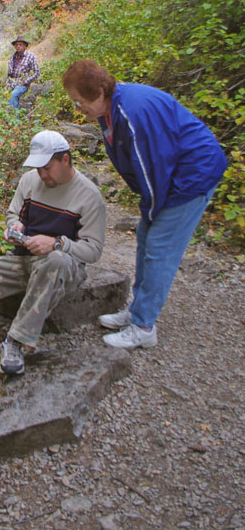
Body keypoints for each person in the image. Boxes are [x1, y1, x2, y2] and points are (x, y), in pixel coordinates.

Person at [62, 60, 227, 351]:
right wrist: (149, 209)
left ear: (99, 92)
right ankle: (137, 309)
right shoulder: (111, 108)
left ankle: (143, 326)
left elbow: (153, 169)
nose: (78, 109)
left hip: (192, 176)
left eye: (80, 102)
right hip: (174, 174)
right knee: (144, 239)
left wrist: (151, 208)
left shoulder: (133, 112)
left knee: (159, 249)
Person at [0, 130, 106, 390]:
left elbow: (93, 251)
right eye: (38, 169)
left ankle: (15, 342)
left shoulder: (89, 196)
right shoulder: (29, 182)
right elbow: (13, 214)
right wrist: (15, 230)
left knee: (54, 260)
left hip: (63, 268)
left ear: (66, 160)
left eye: (47, 168)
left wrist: (57, 243)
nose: (42, 175)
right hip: (23, 261)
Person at [6, 36, 40, 111]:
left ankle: (15, 120)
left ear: (25, 46)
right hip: (12, 84)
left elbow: (37, 73)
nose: (18, 46)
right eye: (17, 45)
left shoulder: (31, 56)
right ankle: (9, 119)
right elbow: (9, 73)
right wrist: (7, 84)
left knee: (14, 94)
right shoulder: (13, 57)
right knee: (4, 98)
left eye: (20, 44)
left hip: (22, 85)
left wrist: (25, 81)